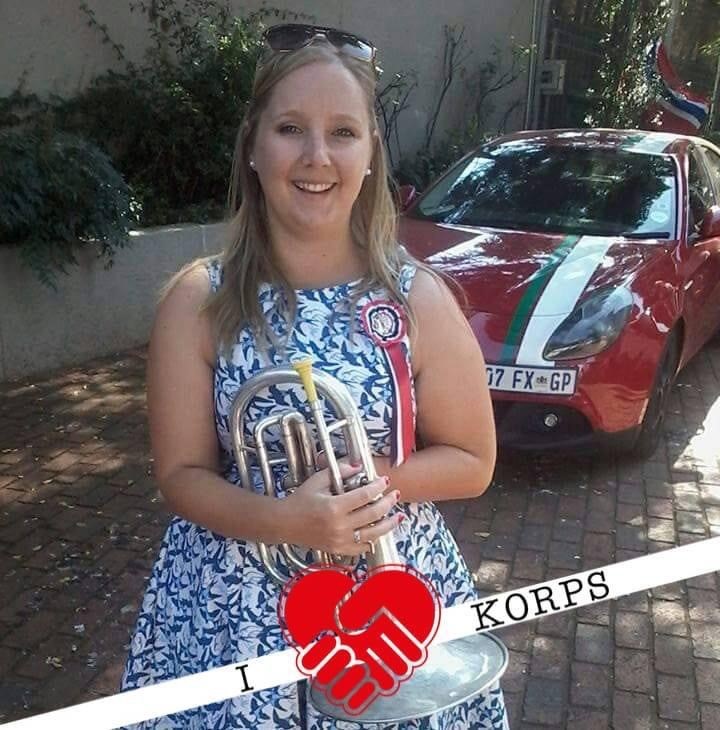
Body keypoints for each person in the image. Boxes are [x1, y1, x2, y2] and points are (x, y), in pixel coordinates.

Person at [121, 23, 506, 729]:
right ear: (253, 146)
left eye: (343, 133)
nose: (317, 156)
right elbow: (180, 475)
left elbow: (473, 461)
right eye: (291, 128)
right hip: (232, 611)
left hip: (391, 607)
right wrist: (286, 520)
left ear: (370, 155)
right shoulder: (198, 302)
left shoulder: (417, 298)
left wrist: (365, 490)